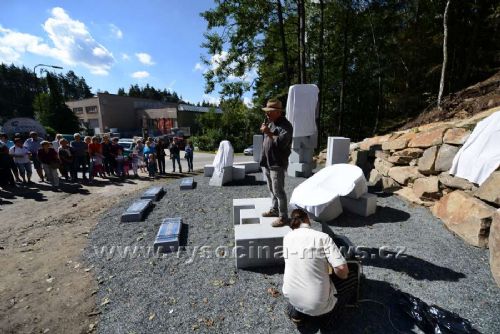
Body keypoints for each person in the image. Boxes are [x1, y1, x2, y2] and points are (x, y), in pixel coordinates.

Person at [282, 209, 349, 326]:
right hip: (317, 304)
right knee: (350, 279)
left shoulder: (287, 237)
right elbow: (342, 269)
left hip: (291, 296)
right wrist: (341, 275)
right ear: (307, 219)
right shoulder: (322, 237)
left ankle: (297, 312)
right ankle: (329, 319)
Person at [260, 99, 293, 227]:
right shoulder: (272, 122)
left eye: (270, 111)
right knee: (271, 189)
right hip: (268, 161)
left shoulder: (286, 126)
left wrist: (267, 132)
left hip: (277, 163)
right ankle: (274, 210)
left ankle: (283, 217)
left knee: (279, 191)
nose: (267, 114)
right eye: (267, 111)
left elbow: (281, 143)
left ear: (278, 112)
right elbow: (268, 141)